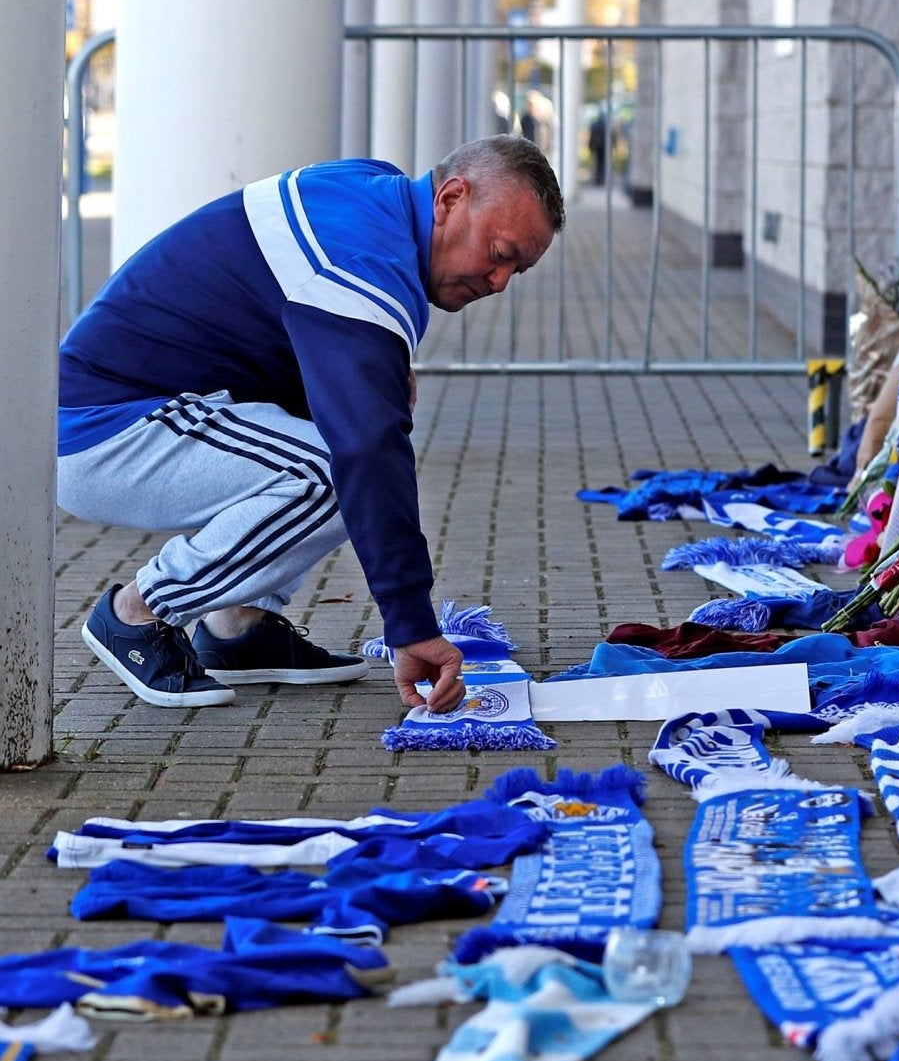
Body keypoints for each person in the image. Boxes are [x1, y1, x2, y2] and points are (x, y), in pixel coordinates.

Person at [57, 135, 564, 711]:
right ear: (450, 198)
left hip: (152, 405)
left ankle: (241, 628)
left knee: (361, 405)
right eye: (499, 252)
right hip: (97, 431)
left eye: (515, 271)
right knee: (332, 470)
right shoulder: (363, 260)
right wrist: (411, 623)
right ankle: (137, 612)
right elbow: (369, 451)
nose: (498, 281)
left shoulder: (376, 191)